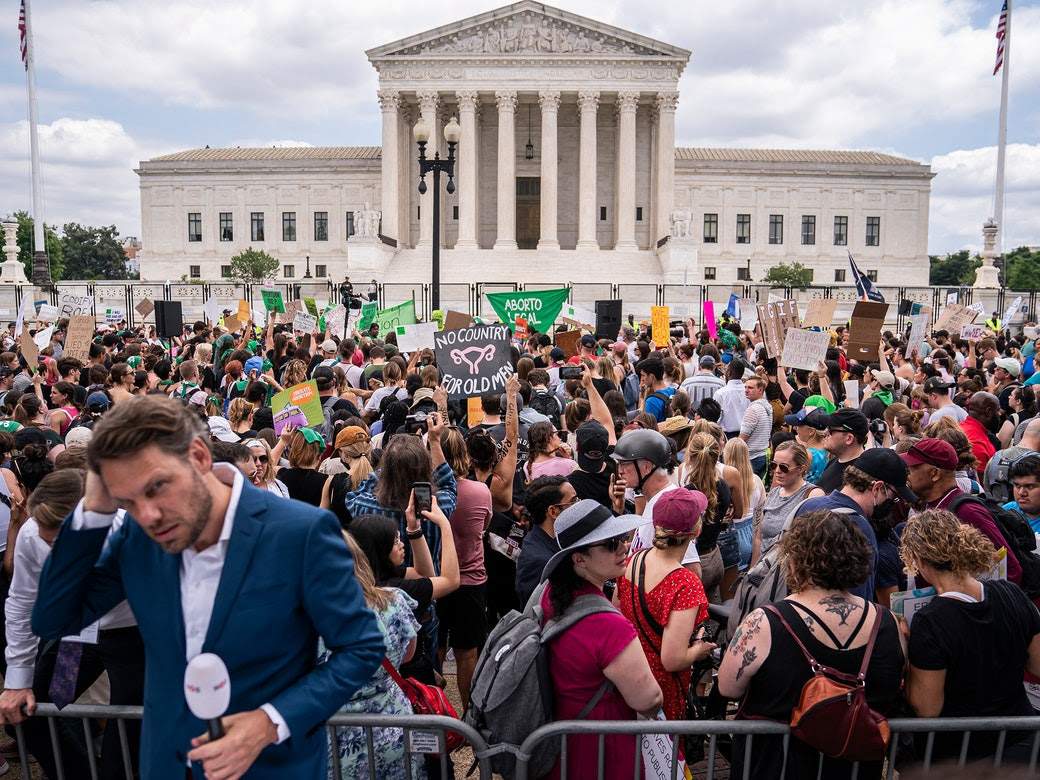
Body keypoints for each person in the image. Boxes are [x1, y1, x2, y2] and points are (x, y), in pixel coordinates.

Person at [30, 395, 384, 780]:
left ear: (199, 457)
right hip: (165, 763)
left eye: (157, 487)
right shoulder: (137, 534)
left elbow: (360, 646)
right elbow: (54, 617)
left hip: (270, 767)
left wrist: (271, 721)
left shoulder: (301, 532)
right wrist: (92, 511)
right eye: (127, 500)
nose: (148, 514)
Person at [718, 509, 905, 780]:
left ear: (796, 560)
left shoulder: (764, 623)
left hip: (775, 765)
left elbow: (727, 686)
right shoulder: (888, 624)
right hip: (852, 768)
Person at [1, 469, 145, 780]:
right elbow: (22, 604)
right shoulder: (30, 533)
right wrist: (17, 679)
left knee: (125, 740)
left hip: (133, 640)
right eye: (47, 542)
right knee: (28, 714)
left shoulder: (132, 534)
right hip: (79, 640)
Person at [901, 508, 1040, 763]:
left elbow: (927, 707)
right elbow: (1037, 664)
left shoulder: (931, 622)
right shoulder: (1010, 593)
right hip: (1022, 744)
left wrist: (905, 652)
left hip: (963, 754)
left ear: (918, 560)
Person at [539, 499, 663, 779]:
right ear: (579, 558)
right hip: (603, 748)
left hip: (561, 741)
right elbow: (649, 698)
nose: (622, 547)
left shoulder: (550, 594)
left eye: (620, 538)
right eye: (610, 544)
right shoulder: (607, 624)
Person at [325, 531, 423, 778]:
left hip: (332, 740)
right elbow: (408, 655)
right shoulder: (394, 602)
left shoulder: (300, 623)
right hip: (393, 726)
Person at [617, 489, 714, 722]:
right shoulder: (685, 583)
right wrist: (699, 651)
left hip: (629, 675)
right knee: (663, 755)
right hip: (661, 690)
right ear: (696, 531)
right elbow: (673, 659)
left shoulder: (634, 559)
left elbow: (617, 614)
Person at [901, 437, 1022, 586]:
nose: (907, 474)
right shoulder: (930, 504)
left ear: (935, 474)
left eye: (913, 468)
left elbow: (1011, 570)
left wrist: (972, 603)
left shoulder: (967, 511)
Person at [751, 441, 824, 565]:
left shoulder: (812, 496)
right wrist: (753, 568)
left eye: (784, 467)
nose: (777, 471)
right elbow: (759, 537)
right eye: (774, 465)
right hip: (763, 569)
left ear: (801, 469)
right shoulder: (774, 493)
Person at [514, 476, 578, 605]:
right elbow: (536, 612)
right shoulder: (539, 562)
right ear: (553, 511)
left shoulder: (559, 538)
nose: (579, 505)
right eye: (573, 501)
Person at [813, 408, 868, 493]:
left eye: (831, 430)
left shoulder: (860, 474)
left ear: (849, 438)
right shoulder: (834, 461)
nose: (825, 432)